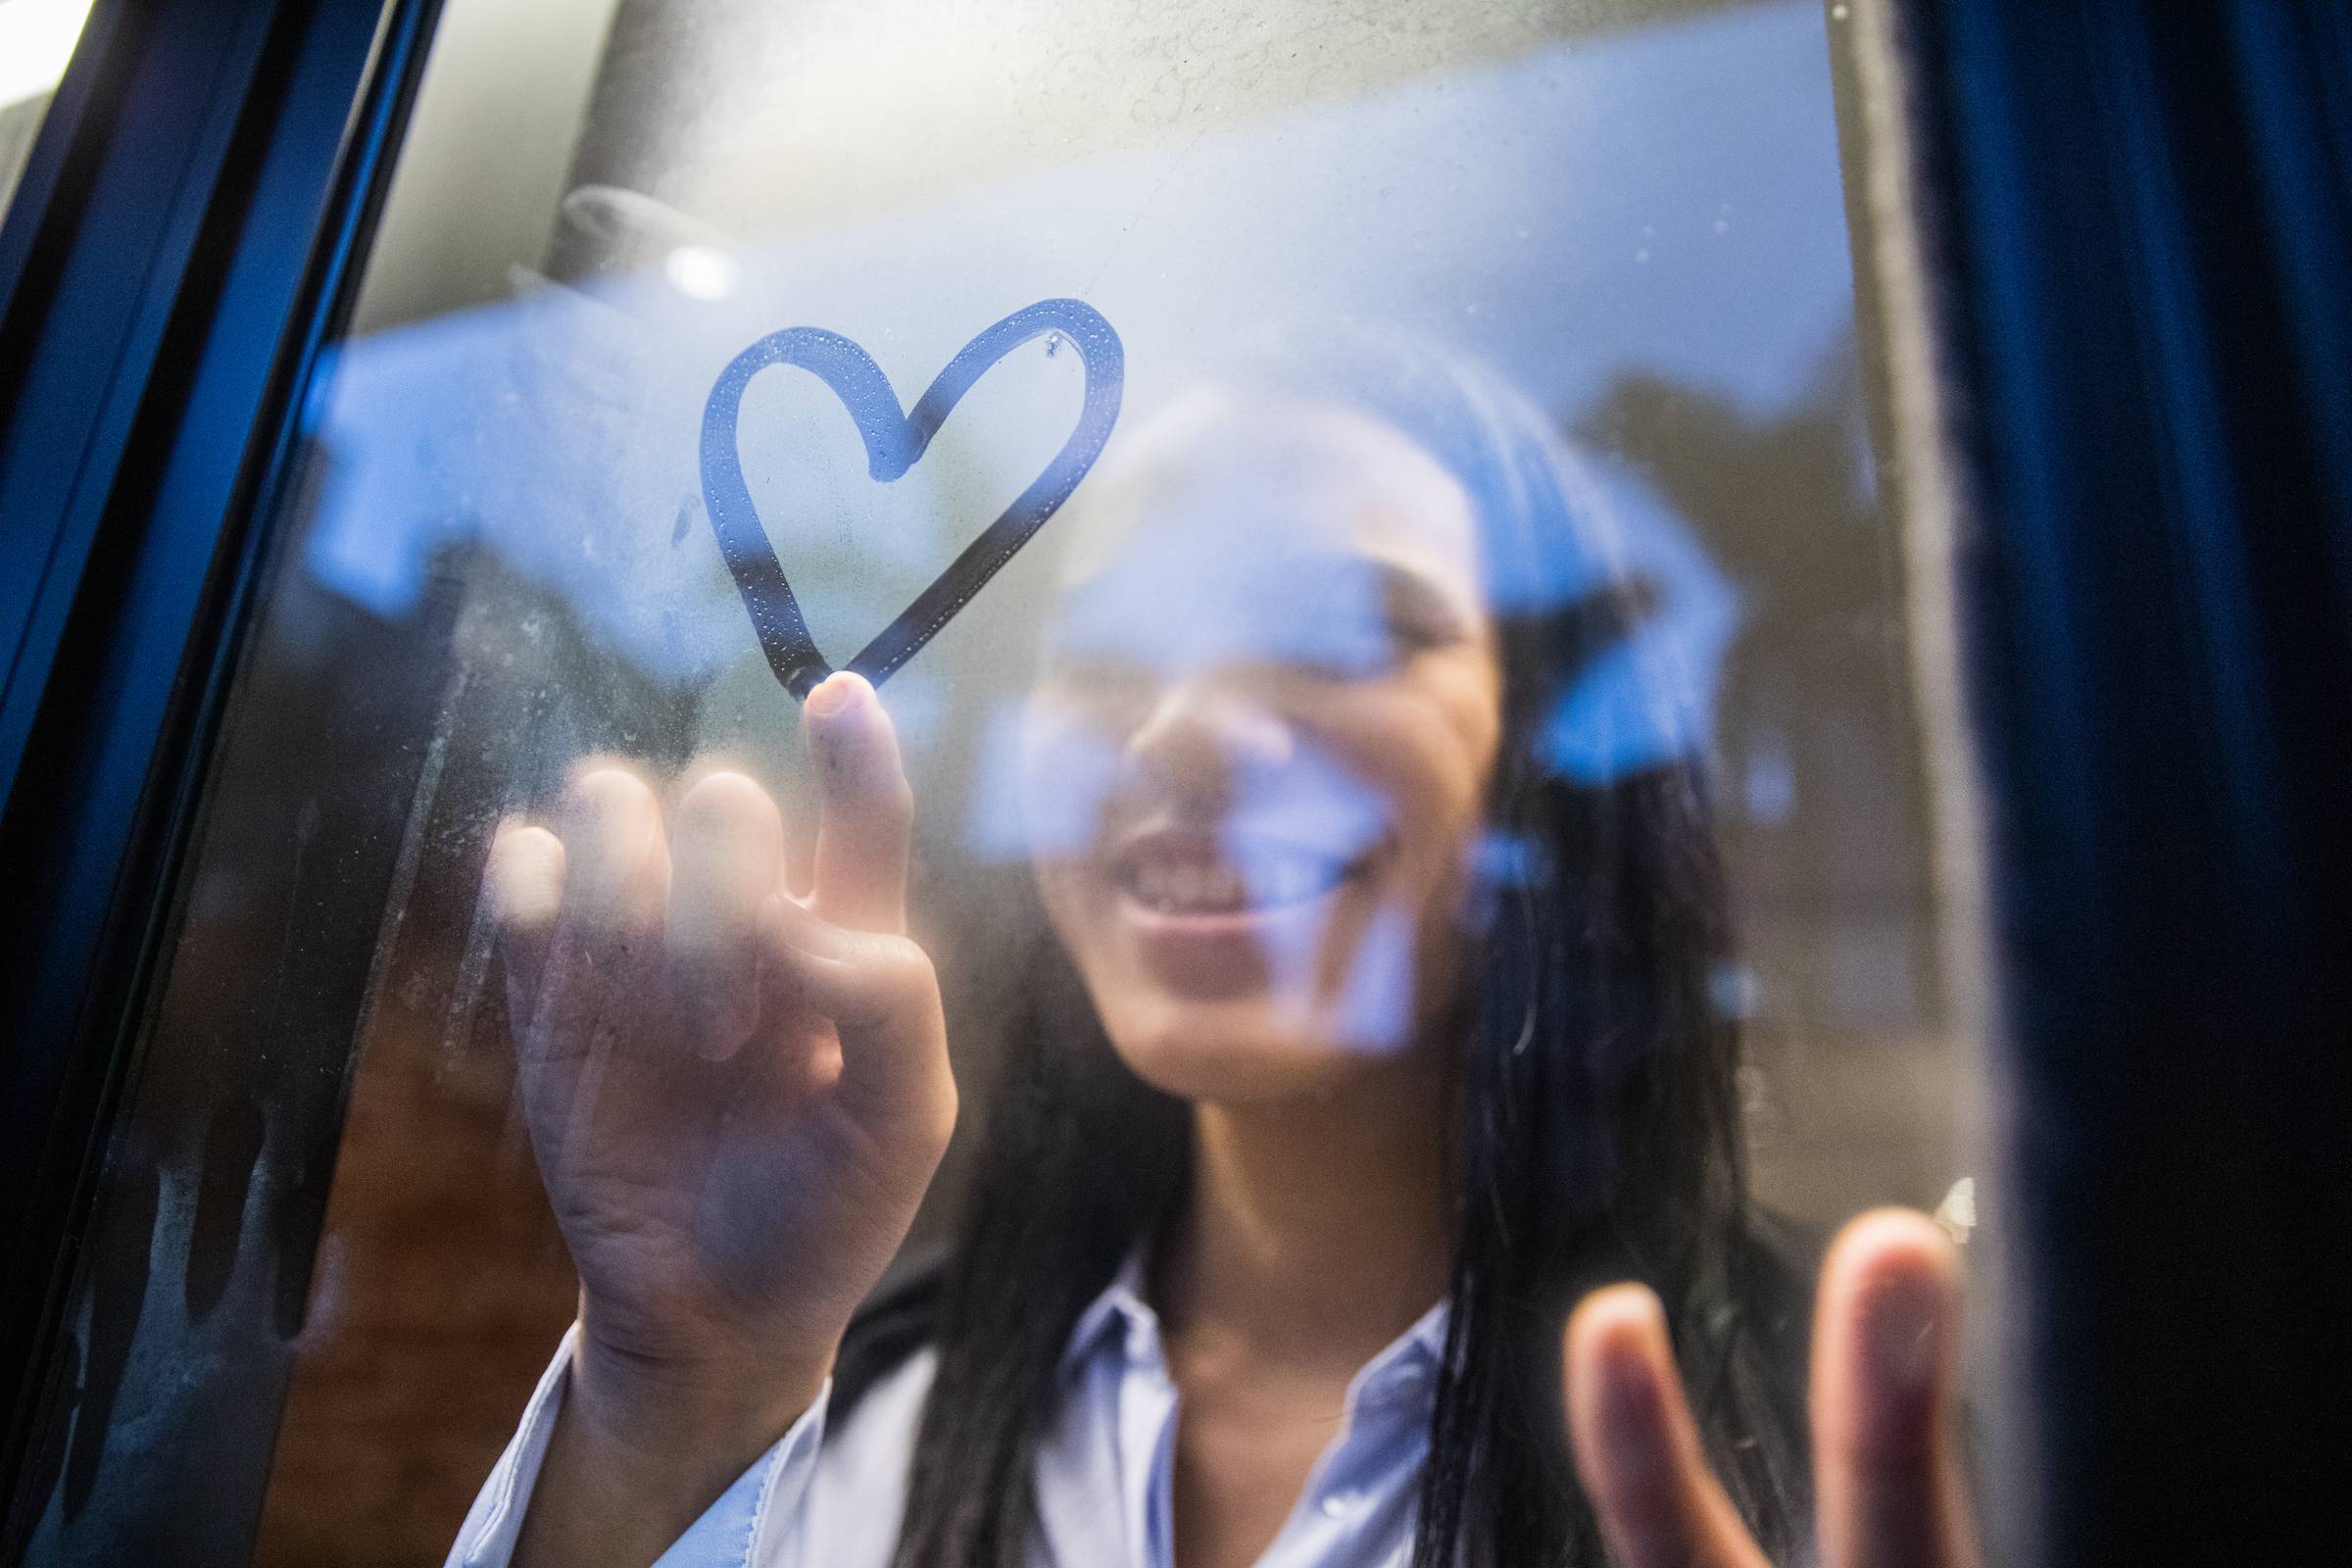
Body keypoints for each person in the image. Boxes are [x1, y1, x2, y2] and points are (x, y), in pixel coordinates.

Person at [452, 335, 1977, 1568]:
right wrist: (679, 1387)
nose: (1183, 730)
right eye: (1110, 656)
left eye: (1339, 635)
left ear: (1541, 771)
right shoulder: (865, 1414)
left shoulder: (1861, 1438)